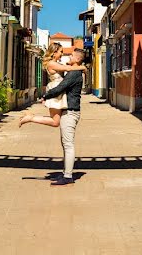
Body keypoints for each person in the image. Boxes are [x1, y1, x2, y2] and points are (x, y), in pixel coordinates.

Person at [38, 48, 86, 186]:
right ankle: (66, 172)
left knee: (68, 144)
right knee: (66, 143)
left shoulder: (73, 73)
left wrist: (45, 96)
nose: (68, 56)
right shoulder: (74, 71)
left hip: (70, 111)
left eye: (71, 55)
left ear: (77, 59)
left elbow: (60, 88)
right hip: (69, 110)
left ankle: (68, 176)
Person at [18, 42, 86, 128]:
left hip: (59, 91)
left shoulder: (56, 63)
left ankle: (31, 117)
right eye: (61, 51)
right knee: (55, 121)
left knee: (56, 120)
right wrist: (83, 68)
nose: (62, 54)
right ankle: (30, 118)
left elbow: (67, 67)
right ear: (54, 52)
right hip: (56, 91)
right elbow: (68, 68)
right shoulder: (51, 63)